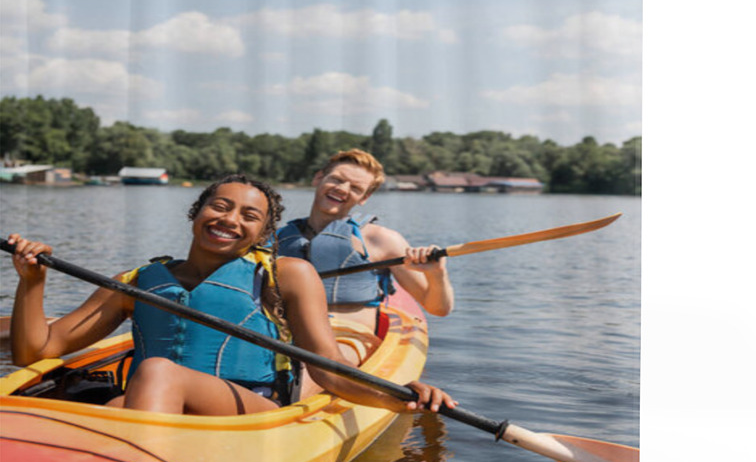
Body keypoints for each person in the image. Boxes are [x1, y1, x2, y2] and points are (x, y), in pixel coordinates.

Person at [8, 174, 456, 418]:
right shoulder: (138, 279)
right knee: (122, 400)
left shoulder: (288, 273)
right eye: (219, 206)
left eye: (249, 215)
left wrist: (400, 394)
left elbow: (332, 371)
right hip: (153, 406)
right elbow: (36, 351)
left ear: (264, 232)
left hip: (250, 409)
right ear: (196, 212)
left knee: (157, 373)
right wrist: (32, 282)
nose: (229, 219)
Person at [278, 149, 455, 340]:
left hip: (346, 336)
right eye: (337, 179)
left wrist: (436, 274)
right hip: (285, 333)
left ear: (364, 198)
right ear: (318, 178)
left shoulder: (382, 240)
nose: (342, 189)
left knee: (305, 369)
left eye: (355, 188)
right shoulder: (279, 238)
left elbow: (438, 309)